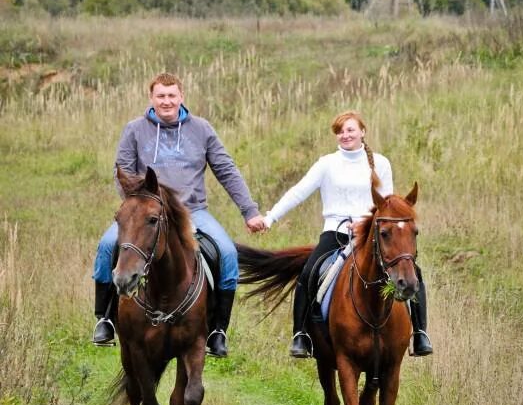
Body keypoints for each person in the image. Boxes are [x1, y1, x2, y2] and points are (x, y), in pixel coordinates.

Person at [92, 71, 266, 354]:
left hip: (193, 211)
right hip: (145, 213)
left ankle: (218, 331)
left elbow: (226, 169)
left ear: (181, 97)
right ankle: (105, 319)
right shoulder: (134, 129)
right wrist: (138, 208)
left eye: (172, 95)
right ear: (152, 98)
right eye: (160, 96)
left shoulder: (202, 129)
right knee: (107, 245)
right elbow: (121, 170)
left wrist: (250, 211)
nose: (166, 101)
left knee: (228, 253)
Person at [263, 111, 433, 359]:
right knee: (310, 272)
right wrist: (270, 217)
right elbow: (298, 192)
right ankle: (301, 335)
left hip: (372, 236)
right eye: (340, 131)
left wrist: (364, 223)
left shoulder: (381, 164)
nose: (345, 135)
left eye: (350, 130)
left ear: (362, 132)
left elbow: (386, 207)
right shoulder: (327, 164)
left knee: (412, 271)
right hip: (335, 231)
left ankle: (419, 333)